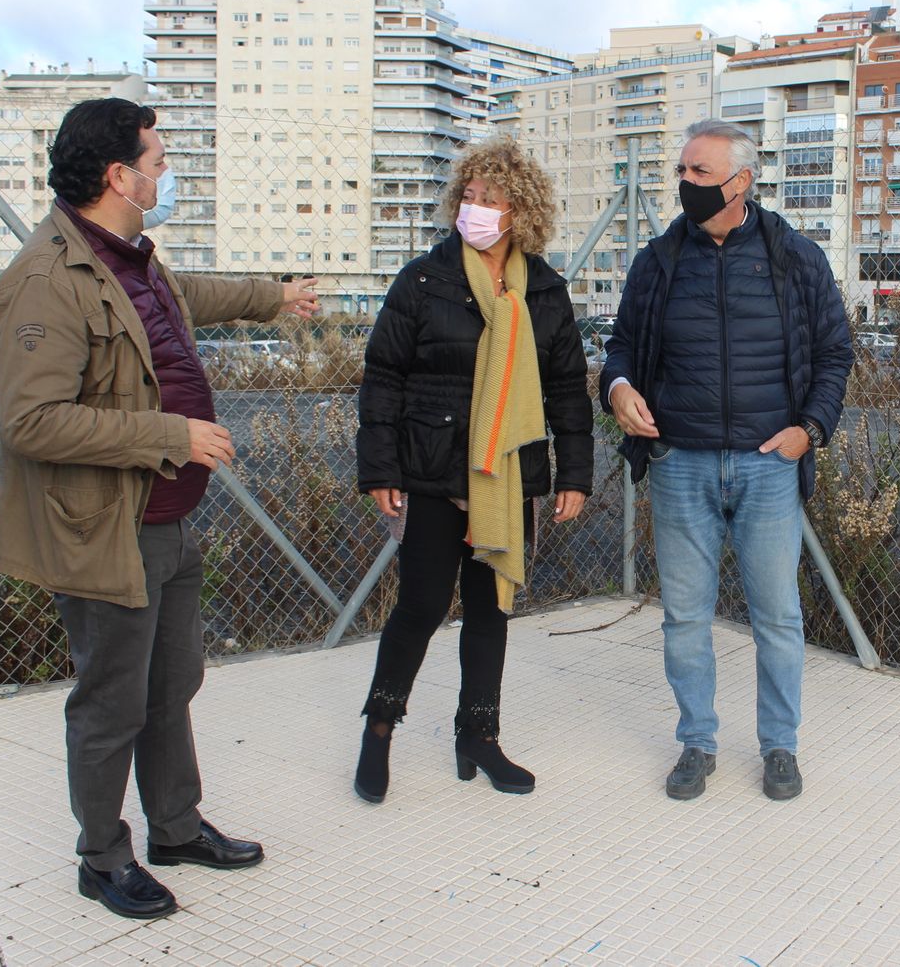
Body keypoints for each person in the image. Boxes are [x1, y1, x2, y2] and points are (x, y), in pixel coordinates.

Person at [0, 98, 321, 920]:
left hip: (166, 519)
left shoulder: (134, 261)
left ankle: (174, 825)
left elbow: (193, 293)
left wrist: (273, 296)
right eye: (158, 161)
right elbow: (31, 422)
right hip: (105, 528)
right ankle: (101, 856)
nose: (165, 174)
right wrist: (171, 431)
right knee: (112, 700)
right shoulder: (43, 278)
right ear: (118, 175)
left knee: (172, 684)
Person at [601, 118, 853, 802]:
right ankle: (697, 742)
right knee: (685, 616)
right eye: (681, 171)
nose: (685, 183)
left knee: (777, 616)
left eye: (700, 173)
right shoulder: (657, 262)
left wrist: (810, 429)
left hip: (769, 466)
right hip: (680, 463)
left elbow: (835, 353)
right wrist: (618, 388)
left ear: (741, 182)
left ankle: (779, 745)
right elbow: (620, 346)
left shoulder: (795, 257)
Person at [353, 137, 592, 803]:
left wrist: (574, 472)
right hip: (431, 471)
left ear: (522, 212)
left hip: (508, 475)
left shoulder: (543, 290)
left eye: (491, 198)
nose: (475, 207)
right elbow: (383, 378)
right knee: (421, 605)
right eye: (469, 195)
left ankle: (478, 736)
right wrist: (380, 467)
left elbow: (569, 388)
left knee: (491, 608)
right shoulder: (424, 279)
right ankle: (379, 727)